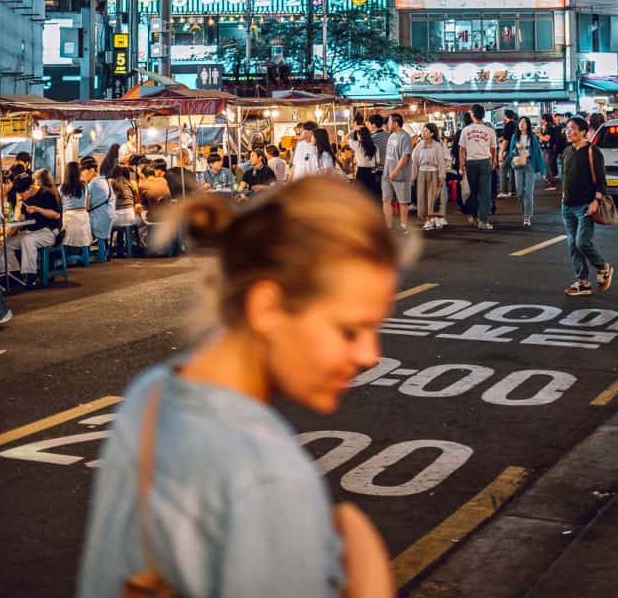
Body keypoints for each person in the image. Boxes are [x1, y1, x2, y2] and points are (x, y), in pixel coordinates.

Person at [77, 177, 398, 598]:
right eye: (350, 330)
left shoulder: (152, 392)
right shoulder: (268, 478)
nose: (371, 355)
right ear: (267, 308)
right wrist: (368, 566)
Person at [561, 116, 614, 297]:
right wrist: (563, 196)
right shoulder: (567, 151)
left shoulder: (593, 151)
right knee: (572, 245)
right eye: (567, 128)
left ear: (583, 131)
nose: (568, 132)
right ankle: (582, 282)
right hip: (567, 205)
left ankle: (603, 267)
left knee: (582, 242)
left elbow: (601, 181)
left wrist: (595, 201)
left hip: (585, 205)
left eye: (572, 128)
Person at [0, 173, 62, 286]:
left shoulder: (46, 194)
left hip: (49, 231)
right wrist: (13, 230)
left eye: (22, 194)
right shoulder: (25, 199)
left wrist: (38, 209)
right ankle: (13, 275)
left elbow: (56, 215)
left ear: (30, 188)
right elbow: (23, 218)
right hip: (30, 231)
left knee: (27, 240)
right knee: (6, 244)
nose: (21, 196)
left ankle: (30, 276)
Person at [458, 103, 497, 231]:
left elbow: (462, 149)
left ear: (473, 115)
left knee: (473, 191)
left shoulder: (466, 130)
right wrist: (493, 162)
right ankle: (483, 221)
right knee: (485, 192)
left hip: (470, 162)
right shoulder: (490, 130)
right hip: (485, 161)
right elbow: (493, 149)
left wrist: (461, 165)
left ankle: (474, 217)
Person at [510, 116, 546, 228]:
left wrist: (543, 171)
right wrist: (516, 149)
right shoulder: (514, 137)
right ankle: (526, 209)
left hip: (529, 164)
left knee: (529, 192)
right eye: (520, 122)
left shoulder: (533, 138)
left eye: (524, 122)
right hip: (518, 164)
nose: (521, 124)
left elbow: (538, 154)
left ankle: (527, 217)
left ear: (528, 125)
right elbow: (510, 152)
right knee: (519, 192)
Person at [411, 123, 446, 231]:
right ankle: (428, 220)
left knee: (434, 198)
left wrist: (441, 176)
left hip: (434, 172)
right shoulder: (419, 145)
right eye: (423, 131)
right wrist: (413, 177)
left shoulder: (437, 146)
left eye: (426, 131)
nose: (423, 133)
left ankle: (434, 218)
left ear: (432, 133)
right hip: (422, 172)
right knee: (423, 198)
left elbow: (441, 162)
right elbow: (414, 162)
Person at [381, 112, 413, 233]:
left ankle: (403, 226)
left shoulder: (405, 137)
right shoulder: (391, 136)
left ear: (395, 123)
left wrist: (395, 171)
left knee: (403, 201)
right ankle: (388, 226)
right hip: (387, 173)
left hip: (400, 174)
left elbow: (405, 156)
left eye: (389, 122)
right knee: (386, 199)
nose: (387, 124)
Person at [80, 157, 115, 257]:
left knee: (76, 224)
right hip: (108, 218)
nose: (82, 175)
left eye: (83, 172)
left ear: (92, 170)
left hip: (98, 221)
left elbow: (85, 206)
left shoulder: (93, 184)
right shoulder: (105, 181)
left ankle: (81, 254)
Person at [60, 161, 93, 250]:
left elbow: (61, 206)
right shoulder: (84, 186)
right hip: (83, 217)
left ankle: (66, 254)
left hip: (68, 219)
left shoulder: (62, 188)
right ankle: (84, 253)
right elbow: (87, 206)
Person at [349, 126, 379, 198]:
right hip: (371, 172)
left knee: (361, 196)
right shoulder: (375, 146)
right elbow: (378, 162)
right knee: (371, 195)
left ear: (360, 135)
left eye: (358, 134)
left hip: (361, 172)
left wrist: (354, 129)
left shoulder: (358, 145)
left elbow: (346, 138)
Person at [496, 109, 518, 198]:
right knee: (512, 170)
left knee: (503, 169)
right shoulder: (516, 124)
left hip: (510, 150)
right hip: (516, 150)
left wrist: (501, 152)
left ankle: (504, 191)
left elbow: (506, 140)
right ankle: (513, 191)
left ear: (506, 116)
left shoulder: (509, 125)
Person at [537, 114, 560, 191]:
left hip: (548, 149)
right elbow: (542, 139)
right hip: (546, 148)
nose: (541, 120)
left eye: (542, 119)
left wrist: (539, 135)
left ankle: (551, 183)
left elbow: (547, 139)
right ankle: (550, 181)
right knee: (547, 165)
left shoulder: (549, 128)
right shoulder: (545, 127)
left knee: (548, 166)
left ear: (545, 120)